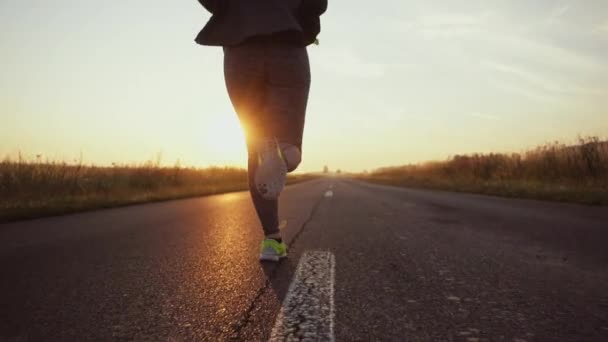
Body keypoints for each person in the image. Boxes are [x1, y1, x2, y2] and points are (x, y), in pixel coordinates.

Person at [195, 0, 328, 261]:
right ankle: (286, 154)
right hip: (287, 42)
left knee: (257, 149)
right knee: (287, 145)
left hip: (240, 49)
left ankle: (272, 241)